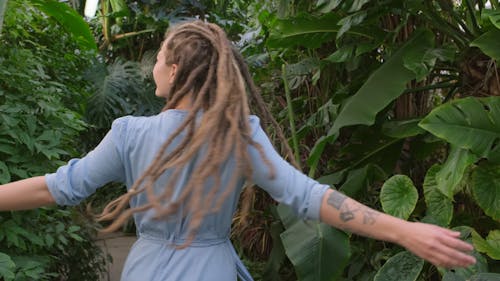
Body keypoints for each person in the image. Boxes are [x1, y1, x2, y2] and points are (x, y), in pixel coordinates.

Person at [0, 21, 475, 281]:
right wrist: (404, 230)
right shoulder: (239, 135)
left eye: (160, 58)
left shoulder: (128, 133)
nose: (154, 69)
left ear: (176, 66)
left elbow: (60, 187)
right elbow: (308, 196)